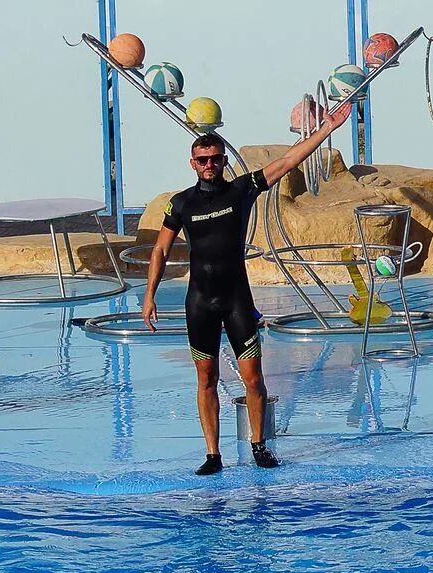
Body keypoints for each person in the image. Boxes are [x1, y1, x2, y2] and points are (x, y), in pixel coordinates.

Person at [141, 103, 351, 475]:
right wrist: (149, 295)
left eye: (216, 158)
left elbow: (287, 162)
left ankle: (258, 445)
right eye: (203, 159)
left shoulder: (241, 190)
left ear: (223, 161)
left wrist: (325, 131)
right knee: (206, 379)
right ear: (193, 163)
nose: (209, 165)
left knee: (254, 378)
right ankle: (212, 455)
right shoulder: (182, 203)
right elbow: (160, 248)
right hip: (200, 304)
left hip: (236, 299)